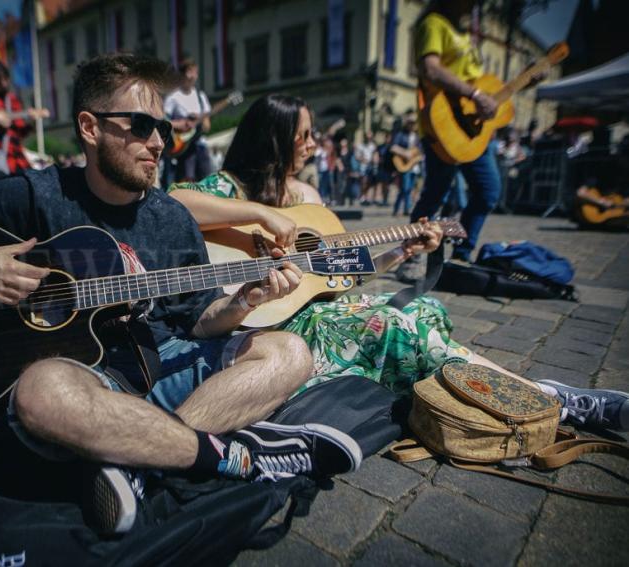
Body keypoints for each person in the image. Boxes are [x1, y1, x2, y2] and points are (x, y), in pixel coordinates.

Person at [0, 54, 358, 535]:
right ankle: (222, 457)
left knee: (289, 352)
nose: (158, 143)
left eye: (163, 130)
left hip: (164, 364)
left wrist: (245, 301)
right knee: (41, 392)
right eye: (141, 125)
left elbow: (200, 320)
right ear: (89, 127)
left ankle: (140, 461)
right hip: (82, 378)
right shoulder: (38, 194)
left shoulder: (173, 218)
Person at [169, 93, 628, 426]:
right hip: (273, 326)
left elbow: (340, 276)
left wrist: (401, 251)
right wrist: (258, 212)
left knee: (424, 308)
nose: (313, 143)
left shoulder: (307, 196)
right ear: (274, 140)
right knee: (400, 327)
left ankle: (501, 397)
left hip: (321, 309)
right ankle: (551, 399)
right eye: (304, 135)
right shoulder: (231, 186)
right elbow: (172, 204)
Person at [404, 0, 541, 264]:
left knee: (488, 190)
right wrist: (475, 94)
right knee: (435, 195)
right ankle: (410, 255)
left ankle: (461, 256)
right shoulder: (434, 23)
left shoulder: (467, 36)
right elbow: (429, 68)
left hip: (475, 133)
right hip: (443, 127)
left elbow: (488, 93)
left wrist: (525, 80)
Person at [0, 57, 49, 178]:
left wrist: (32, 121)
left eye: (5, 78)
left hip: (16, 160)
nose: (3, 83)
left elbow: (20, 133)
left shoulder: (11, 100)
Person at [162, 59, 214, 184]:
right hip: (183, 146)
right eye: (190, 72)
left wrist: (205, 122)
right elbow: (162, 120)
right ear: (182, 75)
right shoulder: (173, 97)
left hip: (200, 143)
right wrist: (179, 124)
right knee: (187, 181)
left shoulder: (201, 96)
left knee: (207, 180)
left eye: (195, 72)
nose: (193, 76)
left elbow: (206, 122)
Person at [390, 115, 421, 216]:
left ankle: (398, 209)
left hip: (414, 166)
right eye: (410, 123)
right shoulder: (401, 135)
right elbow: (393, 147)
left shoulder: (418, 137)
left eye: (414, 123)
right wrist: (405, 153)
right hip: (404, 166)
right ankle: (406, 209)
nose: (412, 125)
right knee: (405, 188)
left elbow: (420, 152)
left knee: (409, 189)